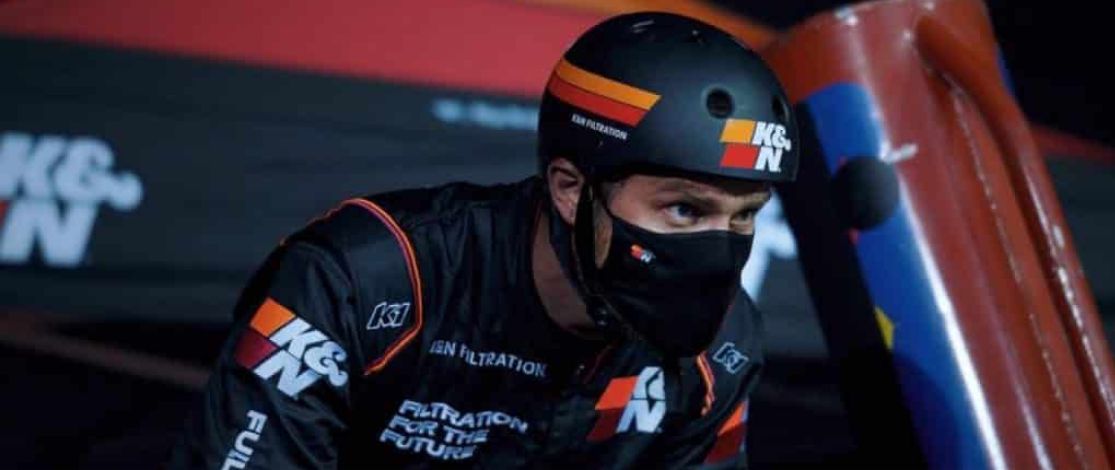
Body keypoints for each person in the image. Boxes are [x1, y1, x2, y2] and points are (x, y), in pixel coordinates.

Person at [170, 11, 798, 469]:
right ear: (572, 187)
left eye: (745, 216)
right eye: (685, 209)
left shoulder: (723, 347)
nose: (720, 249)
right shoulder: (366, 281)